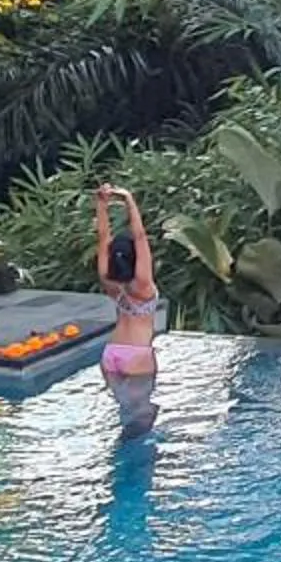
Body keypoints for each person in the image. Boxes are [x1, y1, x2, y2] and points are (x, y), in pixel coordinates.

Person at [94, 184, 161, 435]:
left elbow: (102, 239)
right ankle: (141, 468)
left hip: (110, 355)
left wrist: (101, 204)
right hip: (137, 356)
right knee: (143, 417)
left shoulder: (110, 281)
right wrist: (129, 200)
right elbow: (141, 237)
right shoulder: (142, 285)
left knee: (125, 414)